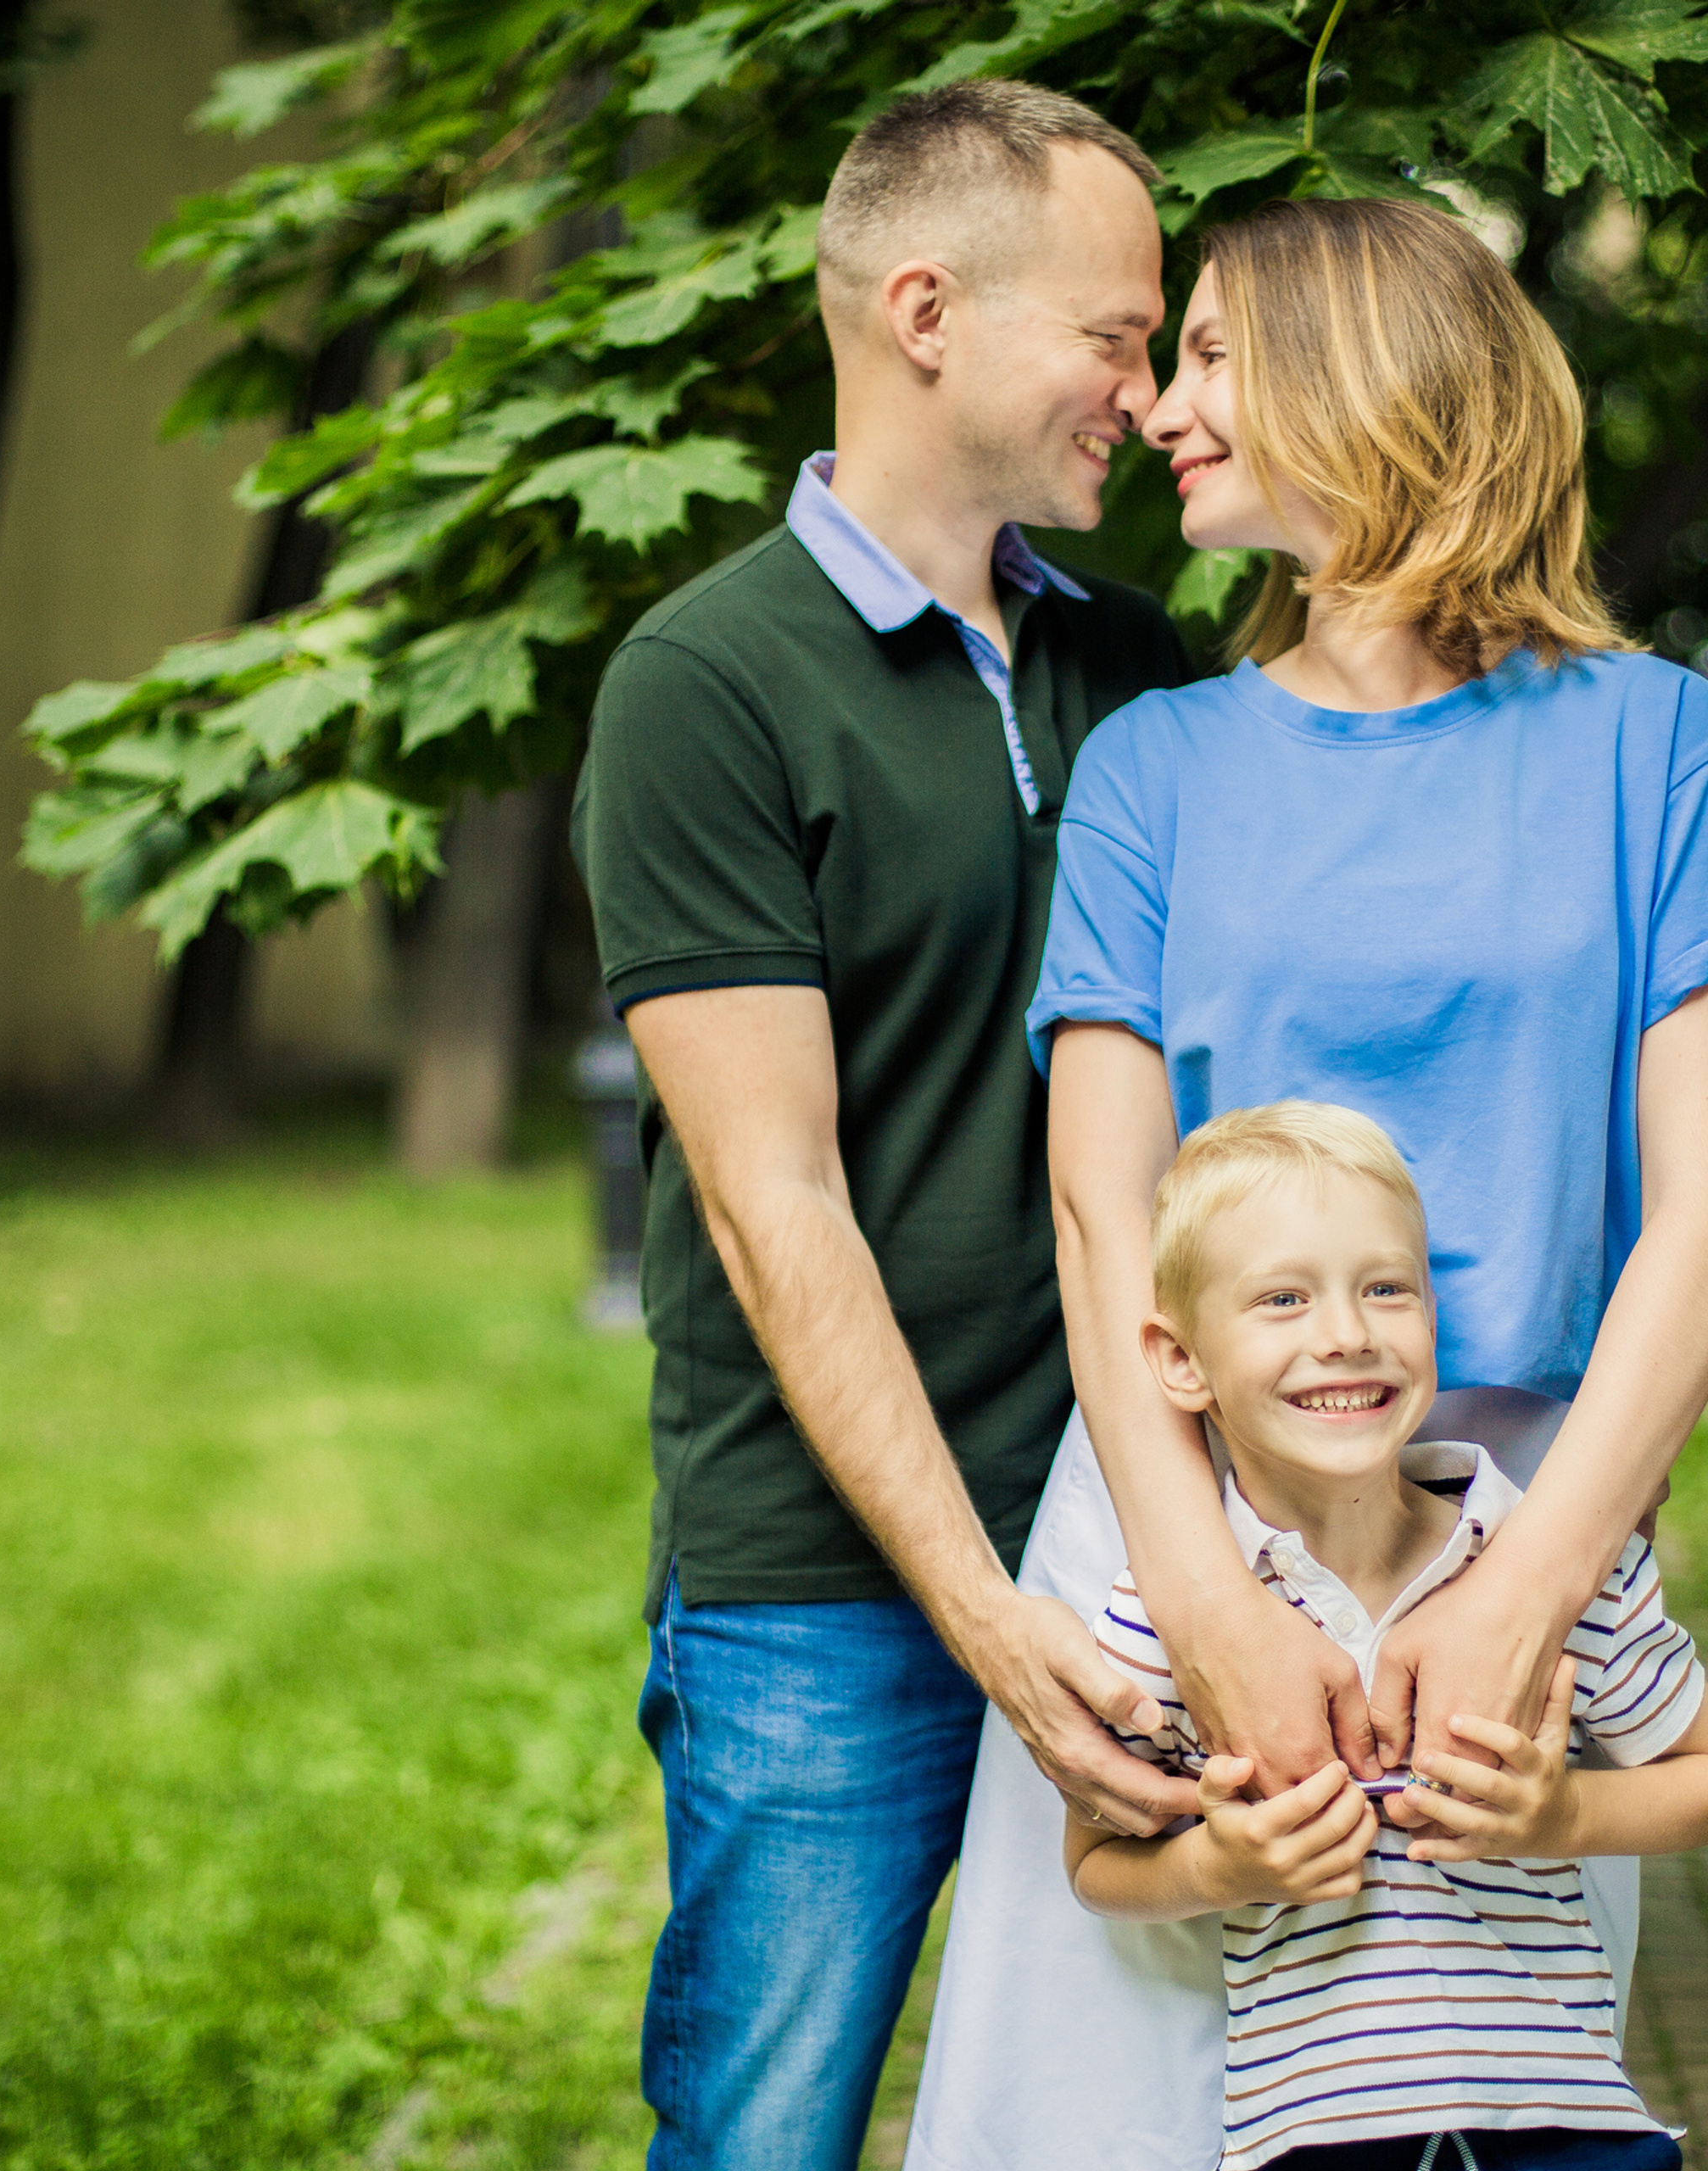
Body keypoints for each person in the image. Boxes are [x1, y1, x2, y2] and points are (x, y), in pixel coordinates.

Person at [907, 196, 1708, 2168]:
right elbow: (1102, 1210)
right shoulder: (1156, 764)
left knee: (1463, 2097)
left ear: (1363, 375)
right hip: (1171, 1500)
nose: (1162, 405)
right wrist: (1198, 1593)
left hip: (1511, 1518)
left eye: (1214, 356)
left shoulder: (1656, 746)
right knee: (1094, 2105)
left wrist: (1530, 1584)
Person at [571, 80, 1206, 2171]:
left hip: (1134, 1541)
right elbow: (774, 1207)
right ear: (926, 312)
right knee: (765, 2135)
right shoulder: (705, 681)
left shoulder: (1139, 663)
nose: (1149, 393)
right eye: (1113, 335)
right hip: (824, 1592)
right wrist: (981, 1616)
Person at [1066, 1100, 1708, 2169]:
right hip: (1316, 2147)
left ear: (1433, 1316)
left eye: (1385, 1288)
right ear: (1180, 1359)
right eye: (1283, 1298)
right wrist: (1216, 1866)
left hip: (1568, 2132)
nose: (1346, 1332)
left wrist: (1565, 1814)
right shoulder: (1166, 1621)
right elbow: (1094, 1861)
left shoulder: (1554, 1573)